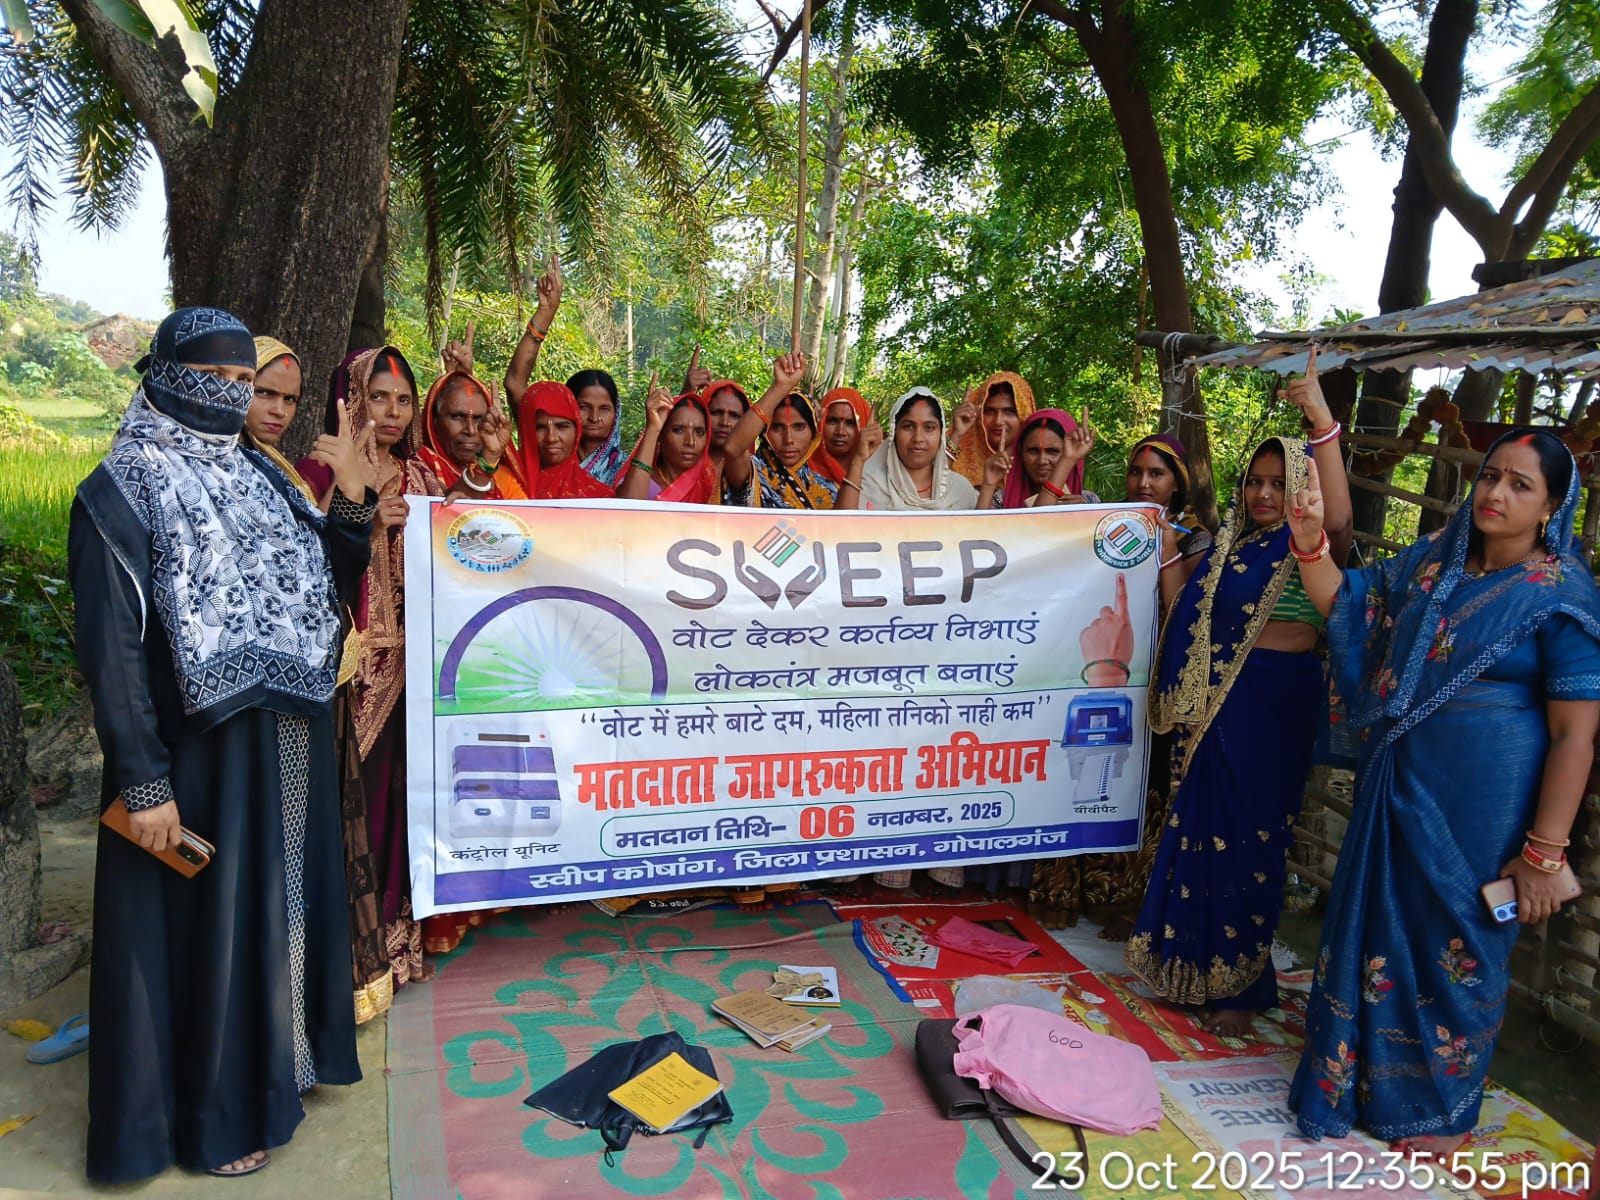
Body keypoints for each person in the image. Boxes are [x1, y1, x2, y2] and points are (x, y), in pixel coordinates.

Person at [70, 307, 377, 1182]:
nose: (235, 397)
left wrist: (351, 500)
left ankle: (275, 1073)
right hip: (196, 761)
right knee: (209, 936)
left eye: (246, 382)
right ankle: (211, 1117)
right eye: (219, 379)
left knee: (271, 922)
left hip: (281, 744)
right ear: (167, 374)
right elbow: (111, 652)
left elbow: (321, 586)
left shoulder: (257, 475)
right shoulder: (123, 486)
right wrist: (143, 782)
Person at [1284, 427, 1600, 1158]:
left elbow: (1575, 737)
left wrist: (1545, 852)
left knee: (1461, 938)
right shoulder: (1432, 563)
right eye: (1491, 476)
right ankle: (1361, 1083)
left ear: (1552, 506)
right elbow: (1343, 606)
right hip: (1399, 777)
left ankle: (1440, 1109)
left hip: (1485, 800)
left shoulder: (1561, 594)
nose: (1496, 493)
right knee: (1380, 927)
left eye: (1520, 484)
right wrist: (1308, 542)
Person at [1125, 353, 1352, 1039]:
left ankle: (1242, 987)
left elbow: (1340, 516)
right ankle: (1189, 972)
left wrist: (1318, 418)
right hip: (1214, 709)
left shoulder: (1307, 544)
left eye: (1280, 482)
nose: (1264, 493)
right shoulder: (1235, 549)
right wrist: (1167, 552)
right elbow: (1185, 619)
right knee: (1199, 836)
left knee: (1249, 844)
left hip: (1273, 707)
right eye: (1255, 481)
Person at [243, 336, 393, 1024]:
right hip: (254, 698)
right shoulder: (238, 474)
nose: (276, 409)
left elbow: (328, 573)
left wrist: (353, 495)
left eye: (288, 398)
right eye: (262, 392)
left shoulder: (279, 471)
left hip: (318, 679)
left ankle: (308, 995)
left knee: (314, 842)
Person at [300, 347, 443, 990]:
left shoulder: (422, 475)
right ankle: (341, 956)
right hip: (352, 671)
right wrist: (367, 523)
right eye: (378, 396)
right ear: (352, 398)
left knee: (404, 806)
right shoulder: (321, 469)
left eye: (403, 399)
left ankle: (393, 945)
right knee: (351, 805)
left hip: (417, 667)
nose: (392, 411)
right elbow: (309, 566)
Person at [1028, 431, 1211, 931]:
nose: (1143, 482)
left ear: (1178, 482)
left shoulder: (1194, 539)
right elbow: (1041, 522)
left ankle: (1124, 899)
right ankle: (1069, 889)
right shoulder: (1109, 523)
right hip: (1096, 674)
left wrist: (1167, 549)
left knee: (1137, 783)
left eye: (1157, 474)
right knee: (1086, 774)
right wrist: (1068, 461)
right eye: (1136, 472)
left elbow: (1185, 613)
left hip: (1152, 680)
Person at [836, 387, 977, 890]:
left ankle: (936, 864)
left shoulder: (963, 494)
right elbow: (837, 536)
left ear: (942, 434)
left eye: (930, 427)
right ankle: (865, 862)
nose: (919, 437)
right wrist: (858, 460)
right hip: (874, 643)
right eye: (909, 426)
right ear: (894, 430)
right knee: (874, 749)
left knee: (934, 749)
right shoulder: (868, 481)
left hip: (939, 647)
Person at [722, 352, 838, 509]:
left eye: (799, 427)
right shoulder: (751, 474)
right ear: (765, 432)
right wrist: (780, 386)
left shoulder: (830, 491)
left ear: (813, 434)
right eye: (777, 427)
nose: (788, 439)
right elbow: (732, 448)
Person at [416, 365, 521, 499]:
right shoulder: (415, 466)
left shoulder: (502, 479)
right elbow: (441, 504)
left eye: (478, 418)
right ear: (433, 420)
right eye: (458, 417)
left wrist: (489, 458)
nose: (470, 430)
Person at [977, 407, 1097, 510]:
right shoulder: (1002, 500)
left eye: (1052, 451)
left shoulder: (1088, 502)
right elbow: (979, 529)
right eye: (1033, 451)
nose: (1042, 461)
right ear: (1021, 453)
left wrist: (1084, 514)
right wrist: (988, 485)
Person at [511, 380, 614, 499]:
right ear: (526, 431)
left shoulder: (598, 497)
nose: (551, 438)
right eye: (539, 428)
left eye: (562, 427)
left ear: (577, 430)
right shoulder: (502, 481)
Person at [949, 371, 1034, 488]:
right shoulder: (955, 460)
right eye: (989, 411)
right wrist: (957, 434)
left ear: (1025, 413)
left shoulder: (1040, 462)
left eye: (1009, 411)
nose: (998, 421)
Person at [810, 386, 873, 485]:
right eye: (832, 421)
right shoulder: (802, 469)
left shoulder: (873, 477)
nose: (840, 432)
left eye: (850, 423)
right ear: (821, 422)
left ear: (862, 426)